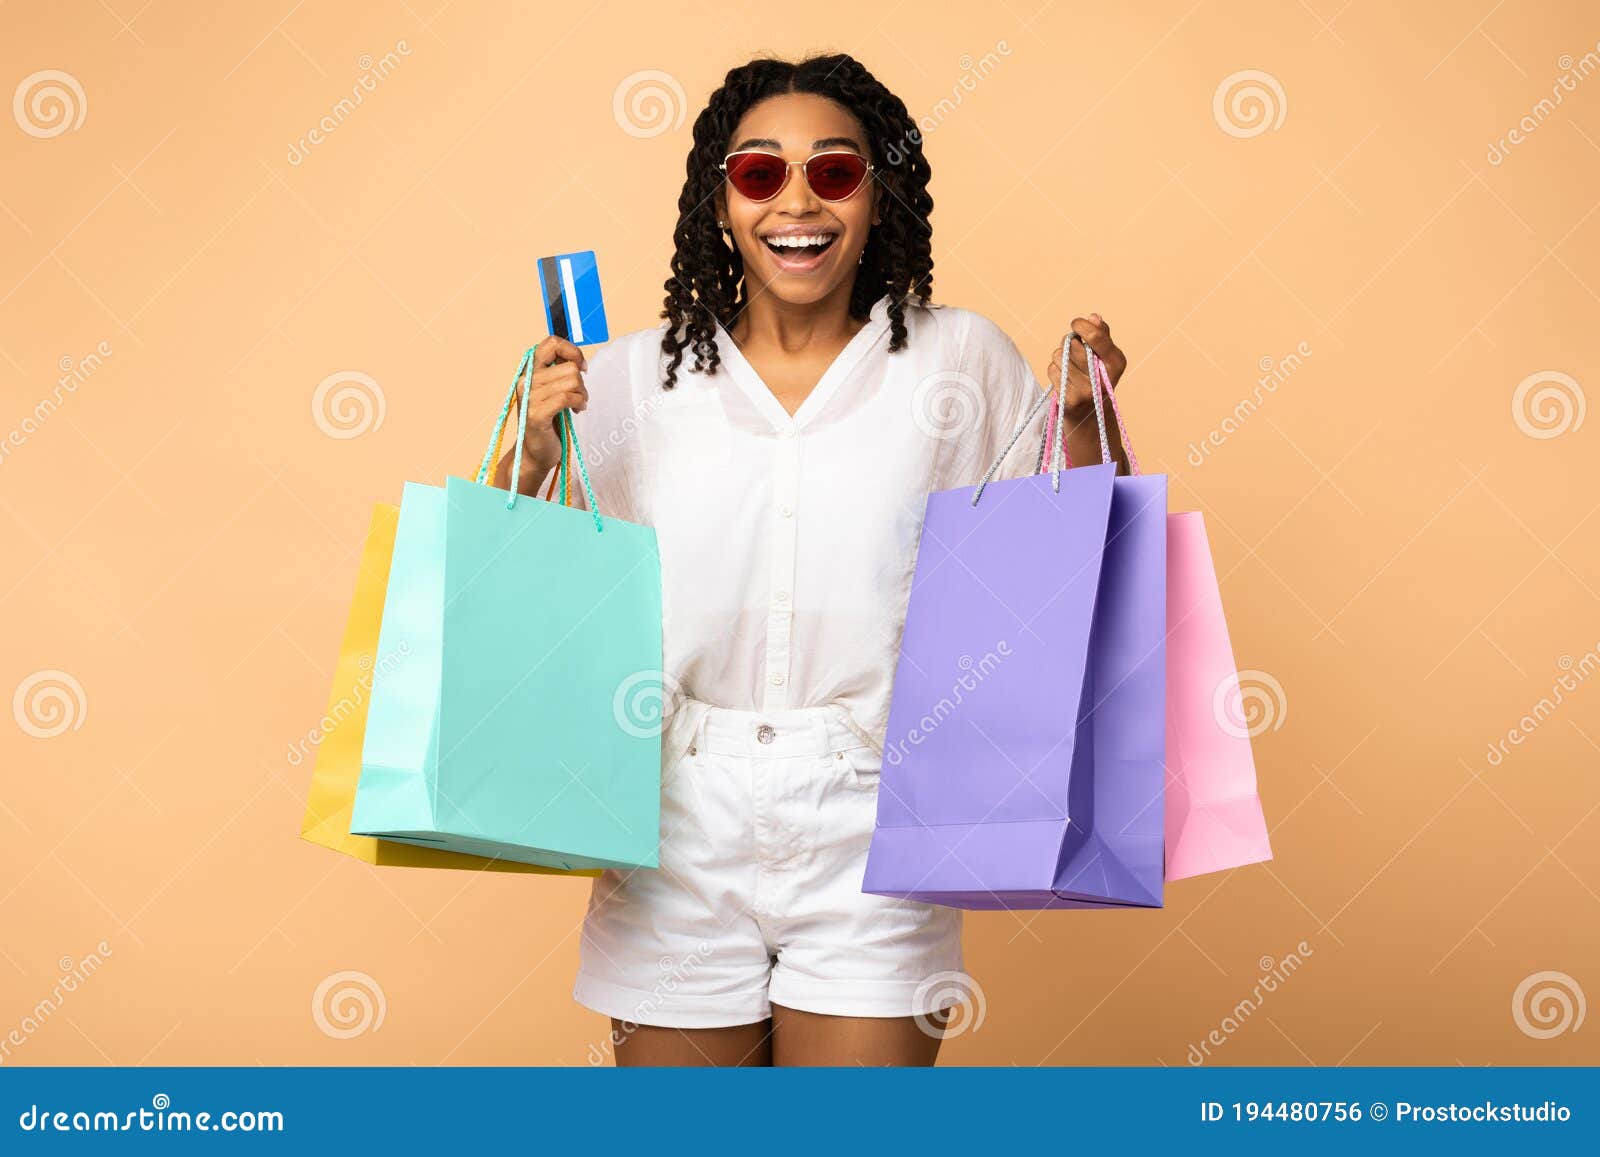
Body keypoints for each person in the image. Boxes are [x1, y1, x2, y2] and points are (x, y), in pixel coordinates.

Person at [494, 53, 1130, 1066]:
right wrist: (521, 458)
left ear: (881, 199)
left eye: (834, 173)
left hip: (878, 816)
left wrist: (1085, 424)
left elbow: (1058, 564)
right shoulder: (618, 381)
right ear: (719, 204)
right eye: (759, 175)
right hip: (673, 821)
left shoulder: (957, 359)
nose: (797, 200)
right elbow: (528, 601)